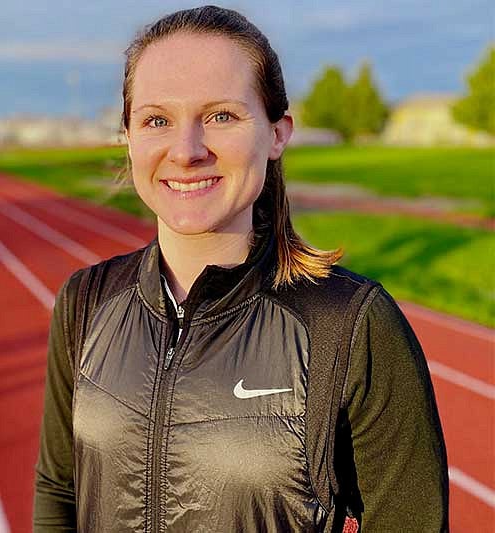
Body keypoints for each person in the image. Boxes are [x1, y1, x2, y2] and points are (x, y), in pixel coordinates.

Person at [33, 6, 448, 532]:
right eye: (157, 120)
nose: (185, 151)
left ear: (277, 135)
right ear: (129, 136)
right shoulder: (86, 301)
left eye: (221, 116)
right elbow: (58, 489)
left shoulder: (350, 326)